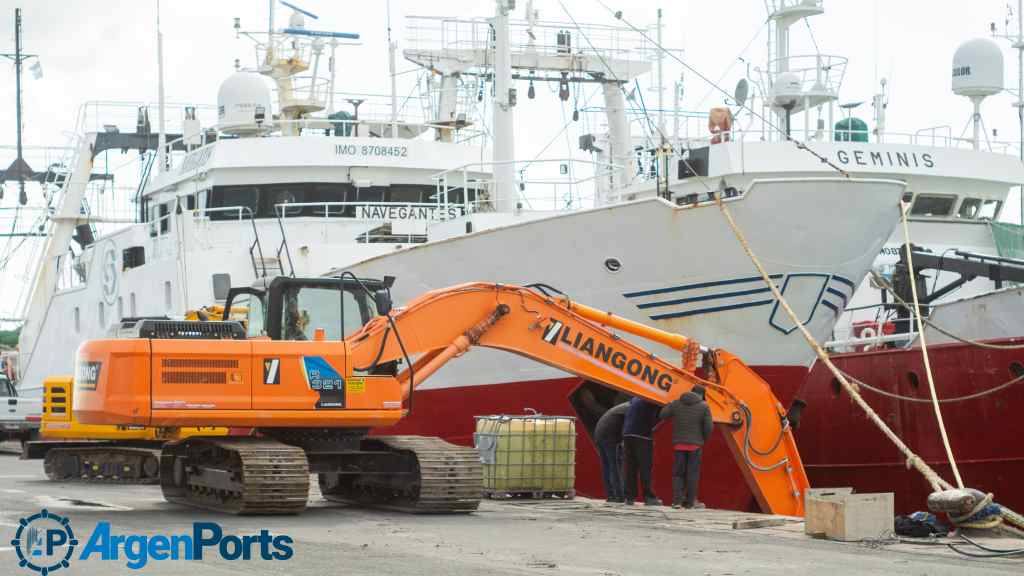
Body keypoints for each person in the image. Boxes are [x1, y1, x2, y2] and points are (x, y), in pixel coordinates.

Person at [659, 384, 712, 509]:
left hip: (679, 445)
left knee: (678, 473)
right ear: (702, 395)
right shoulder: (704, 406)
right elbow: (709, 427)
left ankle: (677, 501)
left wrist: (670, 404)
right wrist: (703, 440)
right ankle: (690, 502)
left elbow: (662, 415)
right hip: (695, 445)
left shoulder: (677, 403)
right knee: (692, 473)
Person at [621, 397, 662, 506]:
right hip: (642, 436)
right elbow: (659, 416)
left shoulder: (635, 399)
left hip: (627, 434)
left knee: (630, 467)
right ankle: (649, 497)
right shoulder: (652, 400)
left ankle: (629, 497)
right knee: (645, 468)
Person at [593, 402, 629, 503]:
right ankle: (619, 496)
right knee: (615, 465)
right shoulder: (631, 409)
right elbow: (629, 428)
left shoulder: (625, 407)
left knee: (607, 466)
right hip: (609, 437)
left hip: (600, 434)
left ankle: (610, 495)